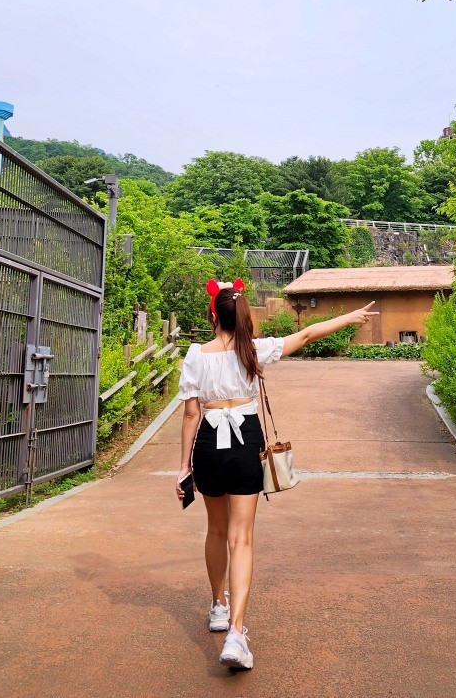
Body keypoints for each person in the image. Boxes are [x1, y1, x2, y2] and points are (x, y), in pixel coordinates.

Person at [173, 279, 377, 671]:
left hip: (209, 443)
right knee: (242, 538)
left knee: (215, 530)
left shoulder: (196, 355)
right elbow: (308, 333)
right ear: (243, 314)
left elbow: (190, 414)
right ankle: (236, 633)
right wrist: (350, 317)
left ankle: (218, 606)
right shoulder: (256, 350)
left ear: (213, 314)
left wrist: (183, 468)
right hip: (246, 440)